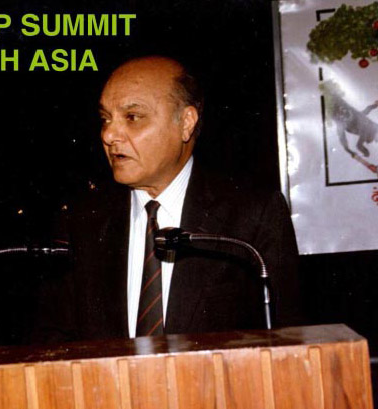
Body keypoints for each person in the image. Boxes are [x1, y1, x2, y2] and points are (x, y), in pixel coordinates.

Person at [36, 56, 301, 343]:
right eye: (105, 119)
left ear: (186, 123)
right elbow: (53, 340)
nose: (109, 134)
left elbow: (287, 339)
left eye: (132, 117)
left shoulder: (253, 215)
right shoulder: (81, 221)